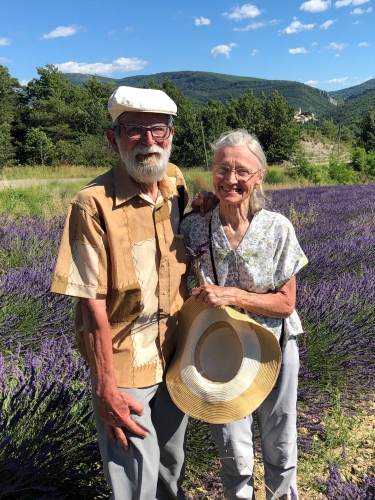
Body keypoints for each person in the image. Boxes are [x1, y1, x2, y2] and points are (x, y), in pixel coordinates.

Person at [51, 86, 213, 500]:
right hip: (125, 367)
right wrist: (105, 386)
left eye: (157, 131)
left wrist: (205, 207)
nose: (147, 142)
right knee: (135, 478)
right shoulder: (92, 204)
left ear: (171, 135)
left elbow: (190, 234)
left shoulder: (174, 182)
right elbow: (90, 304)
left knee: (170, 467)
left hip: (176, 355)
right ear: (113, 139)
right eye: (133, 131)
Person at [179, 129, 308, 500]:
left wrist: (233, 295)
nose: (231, 179)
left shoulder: (277, 228)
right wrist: (195, 204)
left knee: (280, 439)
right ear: (212, 171)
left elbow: (285, 304)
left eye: (242, 171)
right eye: (222, 169)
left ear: (259, 177)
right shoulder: (194, 225)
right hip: (218, 349)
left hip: (275, 347)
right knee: (232, 446)